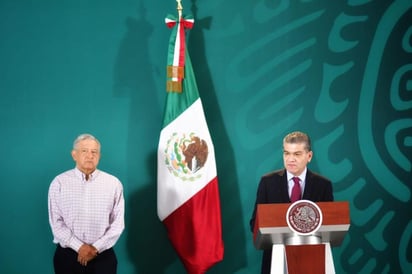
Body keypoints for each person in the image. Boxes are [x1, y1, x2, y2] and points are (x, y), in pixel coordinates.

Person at [249, 131, 333, 274]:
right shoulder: (267, 182)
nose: (290, 159)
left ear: (309, 156)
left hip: (311, 261)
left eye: (297, 154)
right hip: (274, 261)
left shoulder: (323, 185)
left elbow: (331, 224)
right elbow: (255, 224)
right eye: (287, 153)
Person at [48, 133, 125, 274]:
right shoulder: (59, 182)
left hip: (103, 257)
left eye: (94, 152)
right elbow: (56, 223)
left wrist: (95, 248)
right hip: (68, 257)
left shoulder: (113, 184)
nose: (90, 155)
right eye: (84, 151)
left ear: (99, 156)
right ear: (74, 155)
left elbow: (117, 224)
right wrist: (79, 247)